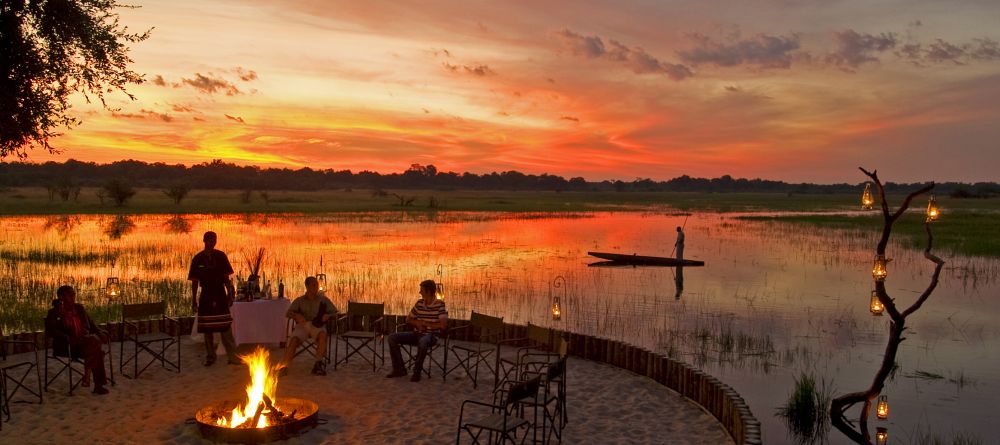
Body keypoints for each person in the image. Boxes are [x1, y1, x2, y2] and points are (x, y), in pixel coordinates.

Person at [44, 285, 110, 395]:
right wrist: (68, 338)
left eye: (73, 294)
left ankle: (88, 377)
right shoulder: (54, 313)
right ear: (61, 297)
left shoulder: (79, 308)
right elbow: (51, 332)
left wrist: (99, 331)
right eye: (69, 294)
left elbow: (92, 324)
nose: (73, 296)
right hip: (67, 346)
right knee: (97, 349)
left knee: (94, 345)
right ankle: (96, 384)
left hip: (84, 344)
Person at [189, 231, 239, 366]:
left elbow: (226, 278)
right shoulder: (198, 259)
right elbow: (194, 281)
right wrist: (193, 300)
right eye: (209, 240)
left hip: (220, 293)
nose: (212, 242)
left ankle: (233, 357)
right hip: (206, 294)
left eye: (214, 240)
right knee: (207, 328)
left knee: (226, 327)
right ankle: (210, 356)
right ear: (204, 240)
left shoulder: (221, 256)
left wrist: (230, 293)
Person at [386, 279, 447, 382]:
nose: (419, 292)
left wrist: (426, 324)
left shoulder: (440, 304)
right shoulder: (419, 303)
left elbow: (443, 325)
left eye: (421, 290)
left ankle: (417, 372)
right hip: (417, 333)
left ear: (428, 291)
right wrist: (417, 323)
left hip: (431, 336)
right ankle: (399, 369)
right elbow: (408, 319)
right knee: (392, 337)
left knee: (423, 341)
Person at [279, 276, 337, 376]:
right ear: (307, 286)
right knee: (294, 340)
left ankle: (318, 364)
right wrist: (296, 315)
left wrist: (328, 316)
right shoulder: (300, 300)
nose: (316, 287)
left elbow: (335, 313)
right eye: (314, 285)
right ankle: (284, 366)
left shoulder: (323, 300)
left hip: (317, 325)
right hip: (303, 325)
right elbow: (288, 313)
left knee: (323, 334)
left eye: (317, 285)